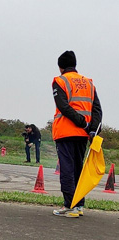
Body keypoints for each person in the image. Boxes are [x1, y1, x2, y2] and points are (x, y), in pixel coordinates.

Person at [52, 51, 102, 218]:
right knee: (78, 169)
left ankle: (69, 205)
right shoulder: (89, 83)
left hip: (66, 132)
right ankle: (79, 205)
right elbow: (97, 110)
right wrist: (92, 129)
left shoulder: (59, 81)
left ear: (61, 67)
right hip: (83, 135)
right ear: (75, 64)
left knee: (67, 169)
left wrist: (81, 122)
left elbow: (63, 107)